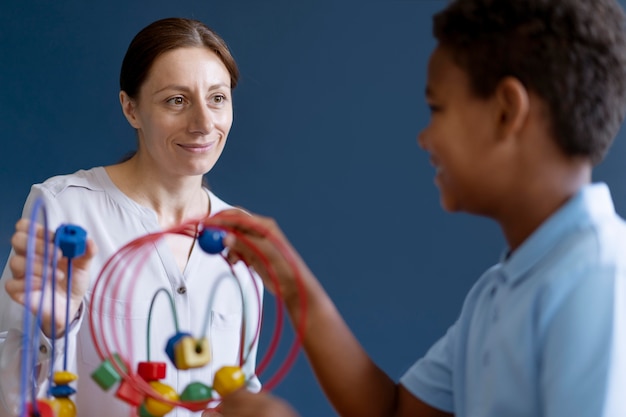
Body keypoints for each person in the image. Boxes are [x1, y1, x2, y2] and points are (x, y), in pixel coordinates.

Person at [210, 0, 626, 416]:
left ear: (506, 111)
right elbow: (395, 412)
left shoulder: (601, 279)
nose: (425, 138)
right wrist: (297, 292)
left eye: (437, 109)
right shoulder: (499, 291)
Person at [0, 18, 262, 417]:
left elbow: (242, 387)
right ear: (131, 109)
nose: (204, 123)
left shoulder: (242, 235)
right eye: (177, 100)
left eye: (217, 98)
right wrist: (53, 329)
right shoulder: (65, 209)